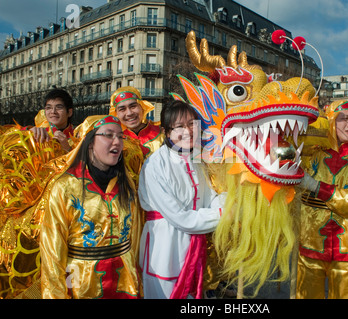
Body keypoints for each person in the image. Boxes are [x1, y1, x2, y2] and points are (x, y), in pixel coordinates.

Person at [40, 115, 142, 299]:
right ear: (89, 143)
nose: (117, 141)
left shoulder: (126, 183)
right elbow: (52, 251)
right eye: (109, 135)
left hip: (124, 279)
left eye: (120, 136)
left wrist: (137, 279)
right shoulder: (64, 187)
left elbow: (134, 237)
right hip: (81, 281)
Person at [138, 100, 225, 299]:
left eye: (192, 124)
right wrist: (223, 213)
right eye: (179, 126)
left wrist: (229, 200)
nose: (188, 131)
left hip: (194, 245)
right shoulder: (155, 164)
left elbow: (210, 198)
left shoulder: (197, 159)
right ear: (167, 132)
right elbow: (180, 218)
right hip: (165, 247)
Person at [296, 100, 348, 299]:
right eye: (344, 119)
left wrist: (315, 187)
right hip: (311, 239)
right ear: (330, 121)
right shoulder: (311, 154)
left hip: (347, 243)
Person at [109, 86, 164, 158]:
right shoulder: (114, 142)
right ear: (116, 114)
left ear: (142, 107)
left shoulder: (163, 134)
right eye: (122, 109)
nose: (129, 113)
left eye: (133, 106)